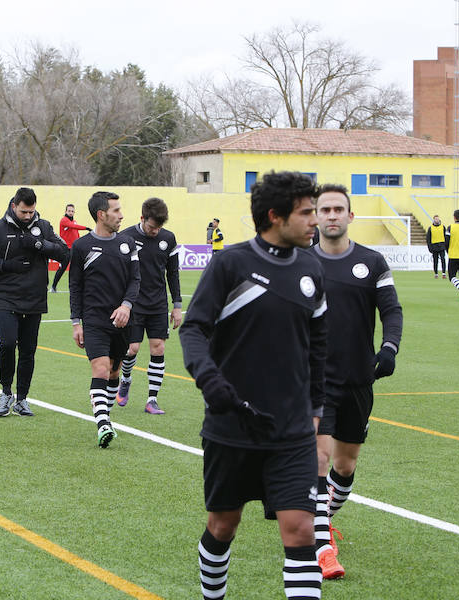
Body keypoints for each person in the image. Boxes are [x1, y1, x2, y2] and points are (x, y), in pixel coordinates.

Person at [180, 171, 325, 600]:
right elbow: (193, 330)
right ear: (276, 216)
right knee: (223, 524)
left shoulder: (311, 269)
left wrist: (318, 412)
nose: (314, 220)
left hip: (293, 431)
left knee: (301, 530)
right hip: (233, 427)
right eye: (306, 212)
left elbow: (319, 347)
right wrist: (210, 381)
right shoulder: (231, 264)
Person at [312, 183, 403, 580]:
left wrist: (389, 349)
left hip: (357, 379)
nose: (331, 215)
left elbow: (392, 310)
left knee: (345, 466)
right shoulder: (297, 262)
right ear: (315, 216)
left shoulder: (373, 262)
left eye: (338, 209)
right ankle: (322, 548)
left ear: (350, 217)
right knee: (317, 459)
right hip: (313, 381)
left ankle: (321, 518)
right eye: (324, 209)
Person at [0, 187, 69, 417]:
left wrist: (40, 245)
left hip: (34, 297)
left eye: (31, 212)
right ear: (14, 206)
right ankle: (6, 392)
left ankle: (22, 399)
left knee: (28, 350)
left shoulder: (43, 227)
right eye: (24, 212)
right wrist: (6, 266)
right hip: (5, 296)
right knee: (7, 343)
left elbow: (65, 253)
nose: (28, 216)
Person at [69, 191, 140, 448]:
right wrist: (76, 322)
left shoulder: (128, 243)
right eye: (116, 211)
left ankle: (105, 418)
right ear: (102, 214)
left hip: (123, 320)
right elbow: (75, 286)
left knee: (113, 371)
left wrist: (126, 305)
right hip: (94, 319)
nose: (121, 215)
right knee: (99, 368)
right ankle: (103, 424)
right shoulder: (81, 247)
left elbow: (135, 279)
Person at [117, 198, 182, 415]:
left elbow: (173, 274)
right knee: (131, 349)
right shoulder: (126, 237)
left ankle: (152, 399)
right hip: (133, 304)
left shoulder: (168, 239)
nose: (156, 231)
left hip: (158, 304)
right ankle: (125, 378)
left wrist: (177, 305)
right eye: (152, 227)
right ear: (142, 218)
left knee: (158, 348)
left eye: (159, 227)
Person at [51, 204, 91, 293]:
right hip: (65, 248)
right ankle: (53, 286)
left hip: (74, 248)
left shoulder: (74, 221)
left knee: (77, 268)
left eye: (72, 211)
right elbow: (74, 227)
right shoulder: (64, 220)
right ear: (65, 211)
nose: (71, 212)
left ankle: (76, 287)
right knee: (63, 267)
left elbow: (76, 233)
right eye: (69, 211)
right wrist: (86, 228)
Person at [426, 214, 448, 279]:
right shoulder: (430, 228)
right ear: (433, 220)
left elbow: (446, 237)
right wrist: (430, 248)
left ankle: (444, 273)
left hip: (441, 245)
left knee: (443, 259)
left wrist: (446, 246)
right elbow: (428, 239)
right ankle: (436, 273)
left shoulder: (443, 227)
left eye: (438, 219)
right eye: (436, 219)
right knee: (435, 261)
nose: (437, 220)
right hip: (434, 246)